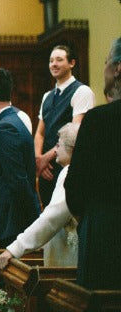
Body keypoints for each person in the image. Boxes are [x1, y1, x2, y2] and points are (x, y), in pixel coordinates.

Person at [65, 38, 121, 290]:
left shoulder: (98, 120)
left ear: (118, 67)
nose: (105, 67)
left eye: (107, 61)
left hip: (105, 229)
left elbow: (75, 185)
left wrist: (89, 219)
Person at [0, 122, 80, 269]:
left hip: (70, 259)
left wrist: (15, 248)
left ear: (71, 148)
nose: (56, 150)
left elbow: (52, 218)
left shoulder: (70, 172)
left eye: (58, 145)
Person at [0, 68, 41, 249]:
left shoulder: (5, 128)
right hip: (6, 223)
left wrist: (34, 221)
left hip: (6, 225)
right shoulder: (11, 121)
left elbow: (17, 180)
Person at [34, 44, 94, 207]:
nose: (54, 64)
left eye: (59, 60)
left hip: (69, 167)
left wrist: (46, 157)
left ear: (72, 63)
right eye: (51, 60)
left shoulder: (82, 91)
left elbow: (75, 133)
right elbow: (40, 133)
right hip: (46, 169)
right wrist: (38, 159)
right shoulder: (47, 96)